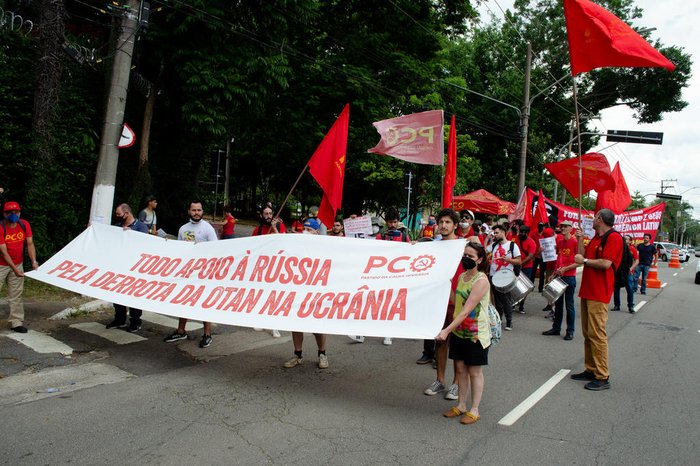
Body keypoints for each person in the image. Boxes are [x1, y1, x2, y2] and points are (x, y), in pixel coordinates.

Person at [436, 241, 490, 425]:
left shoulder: (481, 281)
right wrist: (446, 284)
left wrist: (446, 330)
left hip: (475, 333)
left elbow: (466, 310)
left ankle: (474, 409)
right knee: (459, 369)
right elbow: (456, 299)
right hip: (459, 331)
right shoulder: (463, 277)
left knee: (474, 371)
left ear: (480, 259)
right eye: (465, 255)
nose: (466, 259)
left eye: (471, 256)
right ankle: (461, 405)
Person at [571, 208, 623, 391]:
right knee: (587, 333)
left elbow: (606, 263)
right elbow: (581, 257)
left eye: (595, 217)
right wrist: (579, 239)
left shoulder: (614, 238)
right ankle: (591, 368)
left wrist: (584, 261)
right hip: (588, 290)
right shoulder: (596, 237)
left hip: (599, 293)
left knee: (597, 334)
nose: (592, 220)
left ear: (600, 219)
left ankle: (602, 376)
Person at [164, 201, 218, 348]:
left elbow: (216, 249)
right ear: (189, 211)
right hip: (188, 273)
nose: (196, 213)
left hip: (204, 273)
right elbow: (180, 250)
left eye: (199, 210)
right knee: (184, 300)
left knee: (204, 303)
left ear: (202, 211)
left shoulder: (208, 228)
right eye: (193, 210)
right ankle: (181, 330)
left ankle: (207, 334)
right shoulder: (183, 229)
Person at [350, 208, 408, 345]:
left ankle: (388, 334)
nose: (392, 225)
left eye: (395, 222)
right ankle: (361, 333)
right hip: (379, 276)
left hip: (395, 277)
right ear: (386, 222)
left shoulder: (404, 237)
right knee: (371, 303)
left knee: (389, 306)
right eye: (390, 222)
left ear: (398, 222)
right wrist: (354, 222)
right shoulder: (380, 236)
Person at [423, 208, 463, 401]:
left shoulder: (464, 245)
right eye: (441, 222)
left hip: (459, 302)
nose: (444, 225)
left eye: (448, 222)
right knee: (440, 341)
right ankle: (440, 380)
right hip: (439, 301)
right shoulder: (433, 246)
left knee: (457, 345)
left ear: (455, 225)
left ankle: (456, 384)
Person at [283, 218, 329, 369]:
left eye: (309, 230)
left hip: (316, 292)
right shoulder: (298, 247)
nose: (305, 232)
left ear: (317, 232)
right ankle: (297, 355)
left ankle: (322, 354)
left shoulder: (324, 249)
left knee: (318, 326)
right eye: (304, 229)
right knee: (295, 323)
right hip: (299, 291)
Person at [106, 203, 149, 332]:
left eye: (119, 214)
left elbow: (146, 244)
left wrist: (132, 236)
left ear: (127, 213)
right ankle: (119, 319)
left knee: (133, 295)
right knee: (116, 294)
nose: (117, 216)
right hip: (119, 266)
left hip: (135, 268)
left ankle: (135, 321)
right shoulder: (117, 227)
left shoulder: (140, 227)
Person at [0, 202, 38, 333]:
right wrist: (15, 270)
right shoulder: (1, 227)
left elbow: (30, 244)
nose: (13, 215)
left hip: (18, 263)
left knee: (16, 294)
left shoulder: (24, 224)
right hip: (1, 265)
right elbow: (4, 252)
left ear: (19, 212)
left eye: (16, 212)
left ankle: (16, 322)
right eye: (9, 212)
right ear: (4, 214)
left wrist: (33, 261)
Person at [251, 204, 283, 337]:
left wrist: (275, 228)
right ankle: (261, 320)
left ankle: (275, 325)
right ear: (261, 215)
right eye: (266, 214)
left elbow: (283, 242)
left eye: (270, 213)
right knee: (261, 294)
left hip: (276, 266)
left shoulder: (280, 226)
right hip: (262, 267)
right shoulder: (257, 230)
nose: (268, 216)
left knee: (273, 296)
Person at [542, 220, 578, 340]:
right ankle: (556, 328)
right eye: (561, 226)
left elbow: (579, 261)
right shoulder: (560, 242)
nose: (562, 228)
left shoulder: (575, 241)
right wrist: (554, 273)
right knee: (558, 304)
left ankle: (570, 331)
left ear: (570, 229)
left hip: (570, 277)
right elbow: (559, 259)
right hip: (559, 276)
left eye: (565, 227)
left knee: (569, 305)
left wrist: (566, 269)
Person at [486, 224, 521, 331]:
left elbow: (519, 261)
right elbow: (484, 252)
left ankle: (509, 321)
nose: (495, 235)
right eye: (494, 233)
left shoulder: (512, 245)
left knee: (506, 300)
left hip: (505, 277)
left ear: (503, 232)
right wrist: (487, 240)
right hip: (493, 276)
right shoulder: (493, 245)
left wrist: (508, 260)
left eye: (496, 233)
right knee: (497, 300)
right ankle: (499, 319)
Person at [612, 234, 639, 313]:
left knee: (630, 289)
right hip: (618, 271)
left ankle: (630, 306)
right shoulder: (618, 248)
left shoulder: (632, 249)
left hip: (627, 272)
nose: (625, 240)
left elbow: (637, 260)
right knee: (616, 288)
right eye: (624, 238)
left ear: (630, 241)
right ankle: (617, 305)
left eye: (627, 239)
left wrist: (631, 268)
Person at [515, 225, 536, 314]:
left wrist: (521, 263)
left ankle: (521, 305)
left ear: (527, 233)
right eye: (520, 232)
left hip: (527, 268)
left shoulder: (531, 242)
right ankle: (514, 302)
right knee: (514, 285)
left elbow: (530, 256)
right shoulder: (517, 240)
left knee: (524, 287)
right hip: (516, 266)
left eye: (523, 232)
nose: (521, 234)